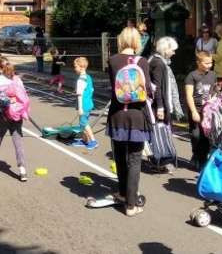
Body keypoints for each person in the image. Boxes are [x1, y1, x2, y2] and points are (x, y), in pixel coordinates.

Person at [107, 27, 153, 217]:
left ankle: (123, 193)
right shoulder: (142, 61)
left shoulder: (112, 60)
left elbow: (113, 85)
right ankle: (132, 205)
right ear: (136, 41)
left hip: (117, 114)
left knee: (119, 156)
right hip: (136, 115)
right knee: (134, 159)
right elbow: (148, 89)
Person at [0, 58, 29, 181]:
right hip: (16, 114)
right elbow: (23, 95)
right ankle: (22, 170)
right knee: (18, 142)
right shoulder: (17, 80)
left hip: (2, 113)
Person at [148, 37, 183, 172]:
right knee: (161, 133)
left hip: (157, 103)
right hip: (159, 104)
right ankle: (161, 162)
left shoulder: (154, 60)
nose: (174, 53)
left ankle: (160, 161)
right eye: (172, 50)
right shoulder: (159, 64)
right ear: (166, 49)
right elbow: (158, 87)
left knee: (159, 132)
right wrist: (161, 107)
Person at [184, 51, 216, 170]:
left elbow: (213, 91)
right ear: (198, 63)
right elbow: (188, 95)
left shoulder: (212, 75)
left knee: (206, 135)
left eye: (211, 62)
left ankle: (202, 158)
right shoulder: (192, 76)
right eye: (206, 63)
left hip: (208, 110)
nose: (209, 65)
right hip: (196, 109)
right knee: (196, 134)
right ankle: (196, 154)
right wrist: (193, 111)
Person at [70, 57, 99, 150]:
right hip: (89, 103)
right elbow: (91, 89)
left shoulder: (80, 80)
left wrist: (80, 108)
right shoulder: (88, 77)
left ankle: (93, 141)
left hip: (84, 105)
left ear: (81, 67)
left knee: (84, 123)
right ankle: (84, 140)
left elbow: (79, 94)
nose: (75, 69)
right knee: (82, 122)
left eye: (76, 67)